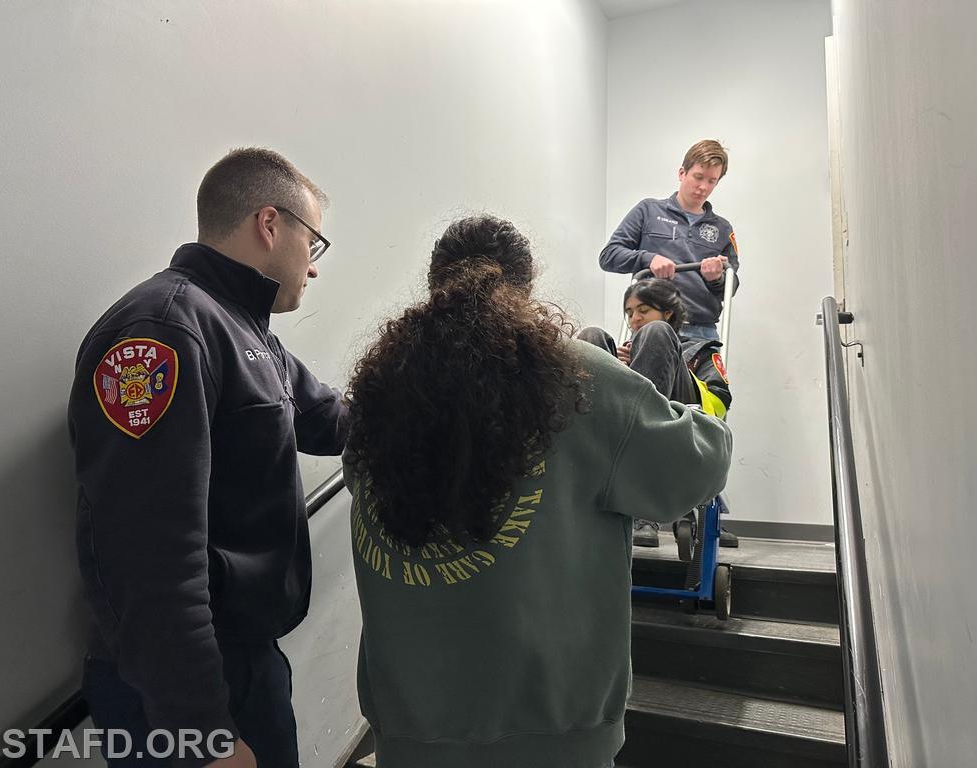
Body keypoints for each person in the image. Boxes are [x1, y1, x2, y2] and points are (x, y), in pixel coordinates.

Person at [342, 215, 731, 768]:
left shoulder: (380, 390)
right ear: (524, 291)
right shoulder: (574, 375)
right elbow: (699, 466)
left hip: (408, 727)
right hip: (553, 732)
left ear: (435, 286)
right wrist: (697, 406)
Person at [67, 148, 347, 768]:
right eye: (315, 243)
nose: (315, 267)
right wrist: (201, 731)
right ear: (270, 225)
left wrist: (436, 387)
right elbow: (149, 555)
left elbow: (330, 419)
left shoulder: (243, 330)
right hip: (181, 684)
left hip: (242, 660)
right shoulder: (165, 333)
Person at [579, 278, 737, 548]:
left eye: (643, 310)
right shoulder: (624, 349)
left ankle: (642, 504)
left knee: (656, 334)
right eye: (629, 313)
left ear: (668, 312)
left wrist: (676, 367)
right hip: (616, 429)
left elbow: (719, 403)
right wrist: (616, 368)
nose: (634, 319)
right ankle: (580, 449)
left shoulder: (701, 351)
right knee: (590, 339)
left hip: (678, 420)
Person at [599, 139, 740, 340]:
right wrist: (649, 259)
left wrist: (716, 278)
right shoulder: (648, 210)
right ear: (682, 173)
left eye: (712, 181)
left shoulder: (723, 229)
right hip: (652, 326)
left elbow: (731, 286)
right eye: (698, 177)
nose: (703, 187)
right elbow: (609, 256)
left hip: (701, 333)